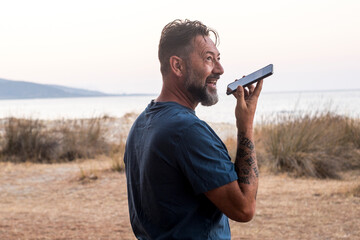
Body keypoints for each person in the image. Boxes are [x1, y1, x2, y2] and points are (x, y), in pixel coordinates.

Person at [124, 19, 263, 239]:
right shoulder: (187, 130)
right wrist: (245, 126)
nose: (219, 69)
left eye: (218, 59)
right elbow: (244, 208)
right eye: (208, 59)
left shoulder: (142, 124)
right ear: (177, 66)